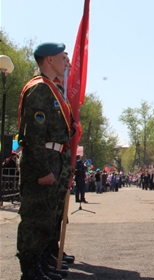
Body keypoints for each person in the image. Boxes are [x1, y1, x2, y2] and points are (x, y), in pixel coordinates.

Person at [17, 42, 75, 279]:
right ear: (49, 60)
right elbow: (34, 136)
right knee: (36, 218)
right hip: (41, 160)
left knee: (47, 215)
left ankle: (40, 262)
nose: (67, 62)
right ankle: (30, 270)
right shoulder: (40, 89)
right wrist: (42, 169)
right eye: (63, 57)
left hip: (54, 157)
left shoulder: (51, 89)